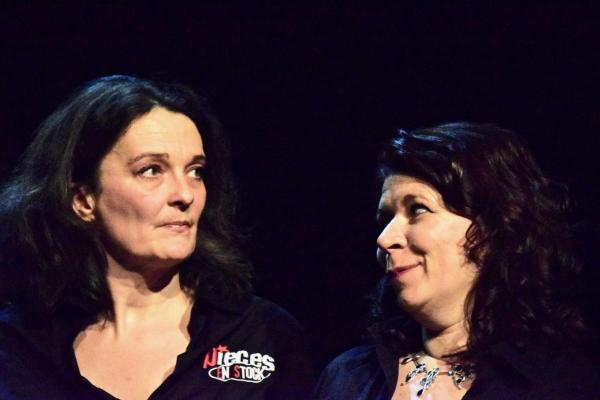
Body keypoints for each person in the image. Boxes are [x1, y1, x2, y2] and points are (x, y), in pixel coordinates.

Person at [0, 75, 312, 399]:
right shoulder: (15, 348)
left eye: (196, 171)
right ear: (83, 200)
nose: (185, 194)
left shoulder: (263, 335)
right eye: (151, 170)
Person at [314, 122, 596, 399]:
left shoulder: (561, 385)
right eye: (386, 219)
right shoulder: (348, 377)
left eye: (418, 209)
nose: (384, 239)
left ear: (491, 229)